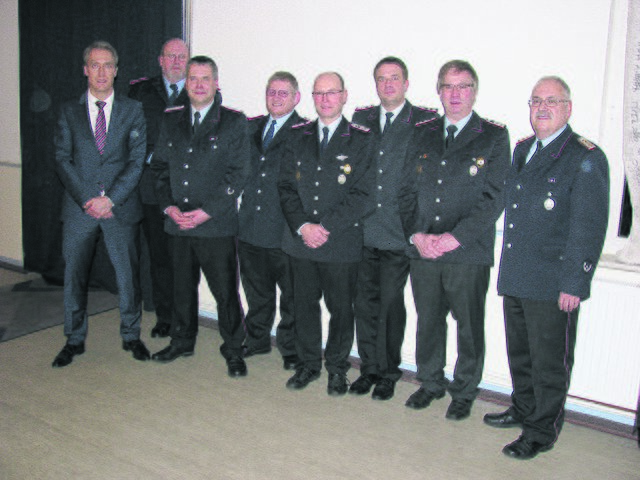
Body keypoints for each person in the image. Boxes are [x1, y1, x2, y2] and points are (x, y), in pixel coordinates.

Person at [484, 76, 609, 460]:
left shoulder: (584, 156)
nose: (542, 107)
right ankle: (523, 408)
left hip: (554, 281)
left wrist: (575, 282)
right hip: (519, 273)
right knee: (521, 353)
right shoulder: (524, 149)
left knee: (550, 362)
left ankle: (541, 431)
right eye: (536, 100)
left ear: (568, 108)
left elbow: (588, 228)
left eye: (552, 101)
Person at [398, 60, 510, 419]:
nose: (455, 94)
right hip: (424, 249)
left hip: (466, 252)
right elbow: (404, 191)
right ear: (439, 91)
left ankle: (463, 391)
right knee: (428, 320)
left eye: (463, 86)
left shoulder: (493, 136)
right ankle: (430, 383)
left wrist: (453, 238)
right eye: (448, 86)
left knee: (469, 325)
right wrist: (416, 236)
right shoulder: (422, 131)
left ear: (474, 91)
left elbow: (494, 198)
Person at [150, 56, 250, 378]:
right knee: (181, 287)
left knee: (225, 293)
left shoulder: (234, 122)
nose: (198, 84)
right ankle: (182, 340)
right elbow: (160, 167)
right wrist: (169, 207)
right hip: (178, 223)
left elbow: (238, 174)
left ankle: (234, 348)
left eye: (205, 78)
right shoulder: (171, 119)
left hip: (215, 225)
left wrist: (206, 212)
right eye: (193, 78)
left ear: (216, 82)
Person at [52, 40, 149, 367]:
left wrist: (110, 199)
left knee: (127, 277)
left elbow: (136, 163)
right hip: (80, 210)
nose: (102, 71)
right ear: (85, 70)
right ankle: (74, 338)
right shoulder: (68, 111)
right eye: (95, 64)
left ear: (117, 71)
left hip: (119, 208)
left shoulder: (133, 110)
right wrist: (87, 200)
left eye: (108, 65)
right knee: (74, 277)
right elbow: (62, 160)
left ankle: (131, 335)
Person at [278, 72, 374, 395]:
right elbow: (286, 187)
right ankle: (308, 365)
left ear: (344, 96)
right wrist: (304, 226)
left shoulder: (361, 138)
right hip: (301, 242)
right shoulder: (297, 135)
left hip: (340, 243)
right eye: (319, 93)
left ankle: (336, 368)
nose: (325, 99)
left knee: (341, 310)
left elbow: (363, 194)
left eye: (331, 92)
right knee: (303, 306)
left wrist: (325, 227)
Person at [350, 56, 438, 401]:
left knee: (390, 306)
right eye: (381, 79)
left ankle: (388, 372)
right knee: (364, 304)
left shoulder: (425, 121)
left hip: (399, 233)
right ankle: (368, 368)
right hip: (364, 230)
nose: (388, 84)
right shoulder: (362, 118)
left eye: (394, 78)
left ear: (406, 83)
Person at [239, 72, 303, 371]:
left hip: (285, 231)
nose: (276, 98)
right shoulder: (251, 127)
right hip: (250, 225)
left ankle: (290, 347)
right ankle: (257, 339)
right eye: (272, 92)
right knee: (256, 291)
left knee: (292, 295)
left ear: (296, 98)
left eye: (283, 93)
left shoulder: (305, 132)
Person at [128, 38, 190, 338]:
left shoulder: (201, 91)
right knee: (160, 257)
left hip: (188, 190)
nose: (176, 62)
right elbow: (127, 135)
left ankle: (185, 316)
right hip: (152, 189)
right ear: (160, 60)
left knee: (185, 258)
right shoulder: (140, 92)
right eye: (171, 56)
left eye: (182, 56)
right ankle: (165, 316)